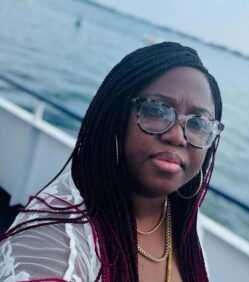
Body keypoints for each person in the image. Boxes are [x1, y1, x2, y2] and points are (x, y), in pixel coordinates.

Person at [0, 42, 224, 282]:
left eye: (199, 123)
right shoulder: (57, 240)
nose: (177, 136)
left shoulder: (183, 220)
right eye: (157, 110)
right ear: (116, 119)